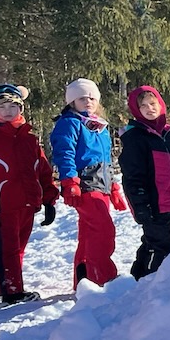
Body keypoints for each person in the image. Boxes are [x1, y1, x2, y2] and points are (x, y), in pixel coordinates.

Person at [49, 77, 125, 288]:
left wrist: (113, 186)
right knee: (102, 230)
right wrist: (69, 182)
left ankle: (83, 281)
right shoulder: (70, 123)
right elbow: (64, 153)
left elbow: (106, 158)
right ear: (72, 102)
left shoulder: (98, 125)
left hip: (101, 184)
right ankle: (103, 278)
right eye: (82, 98)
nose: (88, 101)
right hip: (85, 184)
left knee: (89, 233)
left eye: (92, 98)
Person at [0, 84, 58, 305]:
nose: (8, 111)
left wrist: (49, 199)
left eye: (13, 106)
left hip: (27, 204)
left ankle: (10, 284)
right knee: (8, 249)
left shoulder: (29, 138)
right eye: (2, 106)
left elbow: (43, 170)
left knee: (18, 248)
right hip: (2, 206)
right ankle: (12, 291)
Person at [119, 86, 170, 279]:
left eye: (152, 103)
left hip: (168, 200)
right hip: (152, 202)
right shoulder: (136, 137)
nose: (150, 108)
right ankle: (153, 280)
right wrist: (141, 205)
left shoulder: (166, 134)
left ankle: (139, 276)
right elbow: (133, 176)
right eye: (143, 106)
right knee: (162, 246)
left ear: (160, 104)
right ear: (136, 110)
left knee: (154, 241)